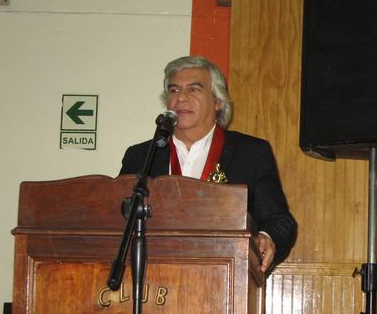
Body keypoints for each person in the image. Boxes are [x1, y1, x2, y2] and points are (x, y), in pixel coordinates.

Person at [120, 56, 296, 272]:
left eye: (194, 89)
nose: (181, 98)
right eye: (174, 90)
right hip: (151, 276)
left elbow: (279, 221)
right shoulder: (141, 156)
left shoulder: (250, 153)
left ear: (217, 102)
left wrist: (267, 237)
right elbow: (116, 218)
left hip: (222, 276)